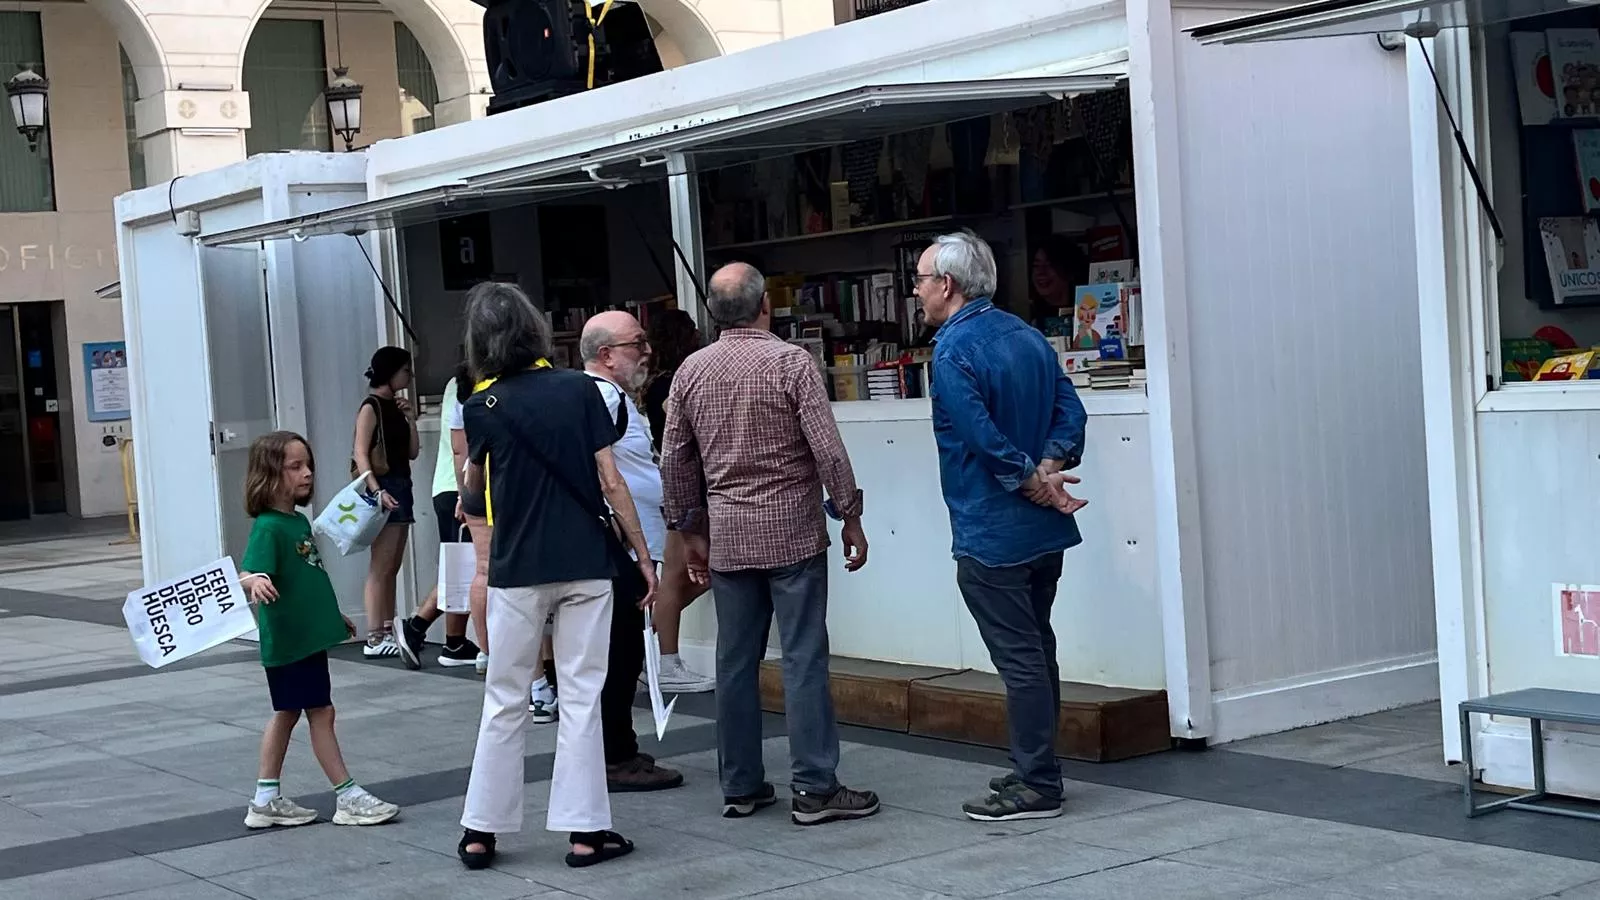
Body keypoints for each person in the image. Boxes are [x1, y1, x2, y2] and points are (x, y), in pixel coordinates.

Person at [660, 262, 879, 827]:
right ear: (765, 307)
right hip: (792, 533)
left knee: (736, 663)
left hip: (729, 537)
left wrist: (689, 531)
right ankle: (814, 787)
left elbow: (675, 460)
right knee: (804, 658)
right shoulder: (791, 363)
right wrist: (849, 514)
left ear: (713, 312)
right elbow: (827, 449)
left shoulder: (691, 371)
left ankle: (741, 784)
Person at [457, 281, 659, 871]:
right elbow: (611, 482)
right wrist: (643, 557)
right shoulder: (580, 389)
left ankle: (480, 831)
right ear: (535, 331)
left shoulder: (482, 404)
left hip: (519, 566)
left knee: (505, 696)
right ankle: (585, 833)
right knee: (581, 695)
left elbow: (473, 494)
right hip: (586, 564)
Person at [914, 230, 1088, 823]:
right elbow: (1071, 409)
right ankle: (1037, 768)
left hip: (993, 529)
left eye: (919, 280)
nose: (916, 292)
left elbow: (980, 436)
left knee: (1021, 658)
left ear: (947, 285)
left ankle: (1038, 781)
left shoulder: (952, 352)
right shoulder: (1028, 336)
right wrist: (1051, 466)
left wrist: (1030, 478)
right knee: (1038, 648)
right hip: (1041, 529)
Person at [239, 431, 401, 829]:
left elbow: (308, 578)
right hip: (290, 642)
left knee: (289, 712)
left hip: (302, 639)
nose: (307, 473)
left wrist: (331, 617)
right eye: (295, 467)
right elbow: (247, 571)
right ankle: (346, 795)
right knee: (319, 712)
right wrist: (255, 581)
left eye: (307, 464)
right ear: (269, 475)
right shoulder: (270, 527)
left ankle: (265, 799)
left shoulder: (295, 522)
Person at [581, 310, 687, 791]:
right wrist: (620, 529)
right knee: (619, 651)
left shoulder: (614, 397)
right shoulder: (601, 397)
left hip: (629, 540)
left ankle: (618, 747)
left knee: (623, 650)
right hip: (620, 546)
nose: (646, 351)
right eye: (635, 344)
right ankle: (614, 755)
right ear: (606, 355)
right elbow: (595, 469)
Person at [640, 309, 714, 693]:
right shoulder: (669, 386)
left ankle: (651, 639)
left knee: (701, 572)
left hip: (680, 486)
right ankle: (665, 659)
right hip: (683, 487)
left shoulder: (655, 383)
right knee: (674, 575)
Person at [395, 363, 485, 670]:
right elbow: (468, 446)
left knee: (464, 566)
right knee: (469, 568)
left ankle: (454, 642)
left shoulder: (454, 382)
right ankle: (418, 627)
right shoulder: (474, 385)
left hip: (448, 486)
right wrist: (467, 492)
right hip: (462, 488)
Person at [351, 346, 420, 659]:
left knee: (393, 564)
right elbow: (360, 451)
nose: (409, 375)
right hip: (384, 486)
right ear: (390, 372)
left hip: (402, 484)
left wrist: (411, 419)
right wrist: (375, 489)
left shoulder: (396, 406)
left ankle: (387, 629)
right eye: (405, 370)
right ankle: (375, 634)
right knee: (381, 564)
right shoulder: (371, 407)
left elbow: (412, 452)